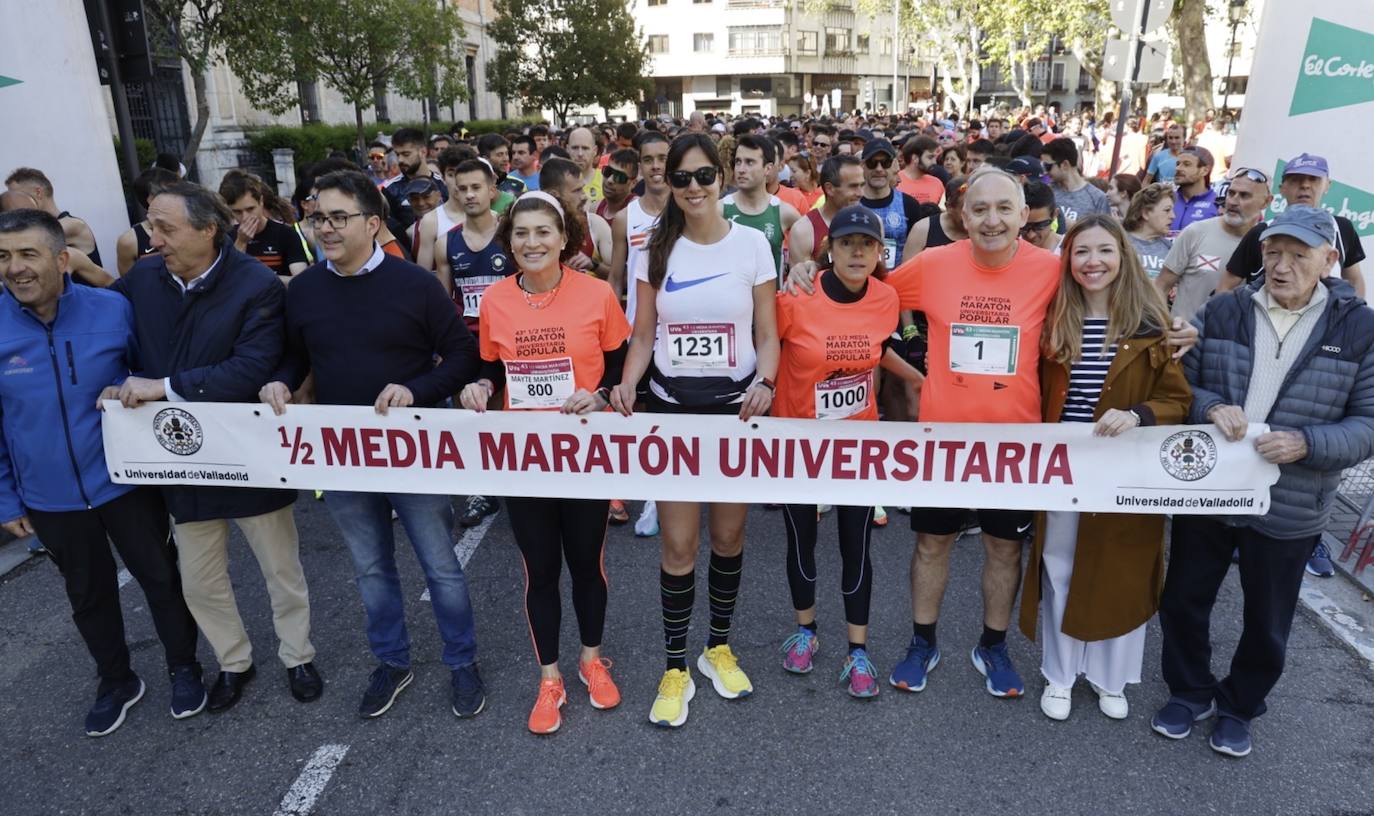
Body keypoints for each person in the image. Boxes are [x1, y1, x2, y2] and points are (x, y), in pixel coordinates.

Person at [261, 170, 485, 720]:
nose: (327, 228)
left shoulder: (413, 285)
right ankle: (391, 661)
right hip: (343, 455)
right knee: (370, 568)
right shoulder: (307, 288)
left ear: (373, 223)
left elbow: (462, 357)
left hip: (412, 451)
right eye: (318, 218)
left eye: (340, 217)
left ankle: (462, 662)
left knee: (440, 566)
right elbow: (297, 355)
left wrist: (415, 390)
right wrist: (283, 381)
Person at [1156, 205, 1374, 758]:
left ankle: (1239, 706)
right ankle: (1189, 690)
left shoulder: (1359, 327)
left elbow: (1367, 424)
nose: (1281, 266)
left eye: (1298, 256)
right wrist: (1209, 408)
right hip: (1210, 487)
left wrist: (1308, 443)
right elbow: (1183, 382)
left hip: (1293, 502)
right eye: (1273, 252)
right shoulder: (1225, 308)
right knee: (1184, 598)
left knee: (1268, 620)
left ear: (1329, 260)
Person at [111, 182, 321, 712]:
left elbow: (250, 369)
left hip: (248, 452)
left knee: (281, 570)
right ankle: (234, 663)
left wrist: (162, 387)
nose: (152, 238)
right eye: (150, 225)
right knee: (200, 579)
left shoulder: (257, 285)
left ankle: (298, 656)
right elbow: (112, 341)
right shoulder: (141, 280)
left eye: (165, 227)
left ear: (209, 230)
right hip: (180, 457)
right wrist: (116, 380)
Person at [0, 209, 202, 737]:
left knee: (161, 576)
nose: (14, 268)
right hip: (49, 497)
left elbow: (154, 377)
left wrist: (133, 385)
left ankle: (185, 666)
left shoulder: (113, 310)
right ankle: (116, 680)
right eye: (2, 257)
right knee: (87, 595)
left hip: (125, 482)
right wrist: (7, 499)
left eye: (27, 254)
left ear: (62, 260)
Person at [609, 133, 779, 728]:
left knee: (729, 540)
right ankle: (675, 664)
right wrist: (627, 383)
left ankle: (718, 647)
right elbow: (643, 336)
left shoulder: (755, 245)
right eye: (682, 179)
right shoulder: (653, 251)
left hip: (735, 413)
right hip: (675, 412)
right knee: (679, 545)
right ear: (669, 185)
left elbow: (767, 333)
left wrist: (768, 381)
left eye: (705, 175)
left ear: (723, 175)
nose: (695, 188)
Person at [459, 192, 631, 734]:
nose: (531, 243)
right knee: (540, 571)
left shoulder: (597, 294)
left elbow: (624, 368)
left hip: (584, 455)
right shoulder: (494, 301)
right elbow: (488, 367)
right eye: (521, 234)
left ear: (563, 239)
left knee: (587, 564)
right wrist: (480, 386)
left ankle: (590, 660)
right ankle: (550, 676)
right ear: (508, 242)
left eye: (542, 232)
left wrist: (602, 395)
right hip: (525, 459)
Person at [1021, 214, 1191, 722]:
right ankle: (1060, 673)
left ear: (1123, 257)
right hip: (1064, 466)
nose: (1093, 262)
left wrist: (1139, 415)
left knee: (1123, 569)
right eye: (1081, 252)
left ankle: (1111, 677)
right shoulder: (1053, 321)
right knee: (1060, 566)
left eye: (1105, 251)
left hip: (1127, 467)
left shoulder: (1155, 324)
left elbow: (1177, 400)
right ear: (1067, 261)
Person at [773, 205, 923, 697]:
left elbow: (879, 351)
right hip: (799, 442)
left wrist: (927, 382)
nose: (857, 252)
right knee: (802, 539)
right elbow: (765, 348)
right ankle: (806, 631)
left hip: (856, 444)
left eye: (867, 244)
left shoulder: (884, 297)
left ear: (881, 252)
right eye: (846, 243)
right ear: (829, 250)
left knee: (856, 543)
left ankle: (858, 651)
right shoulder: (796, 296)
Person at [434, 158, 512, 529]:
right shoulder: (444, 243)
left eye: (476, 187)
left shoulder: (512, 233)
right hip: (468, 342)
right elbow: (439, 302)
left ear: (492, 190)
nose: (468, 194)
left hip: (510, 341)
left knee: (509, 412)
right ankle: (481, 488)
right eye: (461, 188)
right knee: (473, 415)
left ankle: (520, 477)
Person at [1221, 156, 1366, 304]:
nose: (1305, 185)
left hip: (1326, 324)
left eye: (1313, 179)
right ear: (1282, 188)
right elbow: (1225, 286)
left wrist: (1353, 315)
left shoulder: (1342, 228)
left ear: (1327, 185)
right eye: (1295, 179)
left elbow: (1354, 279)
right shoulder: (1261, 232)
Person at [1155, 169, 1271, 320]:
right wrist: (1162, 330)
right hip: (1182, 339)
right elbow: (1161, 286)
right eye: (1231, 193)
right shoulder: (1195, 232)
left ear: (1266, 201)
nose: (1233, 201)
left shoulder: (1268, 244)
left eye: (1244, 195)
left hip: (1231, 342)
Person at [722, 135, 802, 279]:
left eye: (750, 162)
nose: (741, 169)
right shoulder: (720, 210)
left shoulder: (784, 212)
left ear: (768, 168)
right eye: (738, 162)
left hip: (773, 299)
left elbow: (803, 264)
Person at [219, 171, 310, 281]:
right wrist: (241, 242)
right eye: (237, 212)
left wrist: (258, 279)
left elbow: (301, 281)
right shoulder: (227, 237)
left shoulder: (285, 234)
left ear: (261, 202)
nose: (245, 217)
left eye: (250, 209)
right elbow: (229, 280)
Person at [4, 167, 102, 266]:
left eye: (17, 196)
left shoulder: (73, 225)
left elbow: (28, 239)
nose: (13, 202)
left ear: (38, 192)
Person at [857, 138, 928, 269]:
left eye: (885, 163)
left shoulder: (909, 205)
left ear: (894, 165)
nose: (879, 169)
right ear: (862, 166)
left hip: (899, 283)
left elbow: (920, 252)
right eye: (872, 163)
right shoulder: (850, 204)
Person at [788, 155, 865, 265]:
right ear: (830, 189)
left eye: (862, 185)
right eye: (853, 186)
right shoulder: (804, 230)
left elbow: (878, 277)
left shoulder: (873, 222)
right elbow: (802, 279)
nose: (860, 193)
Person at [381, 127, 447, 231]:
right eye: (397, 154)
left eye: (406, 154)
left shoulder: (444, 185)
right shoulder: (390, 190)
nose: (400, 160)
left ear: (423, 152)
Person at [116, 167, 179, 274]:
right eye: (173, 192)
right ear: (151, 199)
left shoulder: (192, 227)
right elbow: (130, 286)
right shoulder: (130, 241)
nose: (180, 196)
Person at [1041, 138, 1110, 226]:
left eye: (1047, 166)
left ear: (1064, 165)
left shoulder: (1098, 198)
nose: (1045, 172)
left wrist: (1074, 226)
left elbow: (1103, 234)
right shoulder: (1047, 192)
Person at [1124, 182, 1176, 279]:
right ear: (1146, 213)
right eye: (1167, 210)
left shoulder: (1170, 248)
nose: (1173, 216)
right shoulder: (1120, 243)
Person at [1170, 147, 1218, 233]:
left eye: (1187, 164)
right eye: (1178, 164)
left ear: (1204, 171)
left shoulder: (1217, 204)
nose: (1178, 168)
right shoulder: (1167, 199)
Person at [596, 148, 640, 222]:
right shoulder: (595, 208)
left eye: (619, 177)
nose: (610, 180)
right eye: (608, 171)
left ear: (633, 183)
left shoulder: (637, 211)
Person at [896, 136, 943, 205]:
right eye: (930, 157)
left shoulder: (937, 183)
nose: (934, 162)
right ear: (915, 158)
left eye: (935, 158)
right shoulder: (894, 182)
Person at [567, 127, 605, 210]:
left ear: (595, 150)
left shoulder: (605, 181)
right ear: (568, 149)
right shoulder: (560, 182)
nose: (580, 154)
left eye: (585, 148)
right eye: (575, 148)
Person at [1020, 182, 1062, 253]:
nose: (1031, 235)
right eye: (1024, 226)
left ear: (1055, 214)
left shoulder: (1069, 250)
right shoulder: (1009, 249)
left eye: (1039, 225)